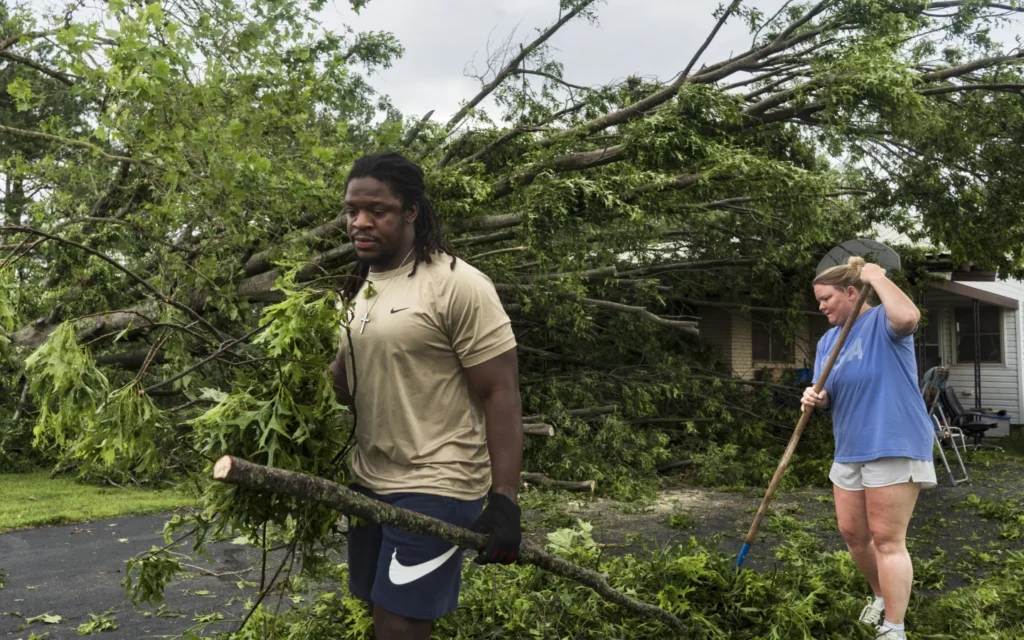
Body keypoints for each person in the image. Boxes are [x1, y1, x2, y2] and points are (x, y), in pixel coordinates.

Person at [327, 151, 523, 640]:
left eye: (378, 210)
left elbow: (501, 392)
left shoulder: (457, 284)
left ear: (411, 211)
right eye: (352, 210)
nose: (360, 222)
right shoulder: (360, 288)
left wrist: (505, 501)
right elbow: (349, 386)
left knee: (401, 625)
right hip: (370, 477)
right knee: (377, 610)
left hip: (438, 481)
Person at [801, 257, 936, 640]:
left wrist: (875, 277)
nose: (821, 306)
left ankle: (895, 627)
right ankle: (880, 595)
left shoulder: (883, 324)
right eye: (818, 300)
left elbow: (908, 316)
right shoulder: (828, 340)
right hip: (851, 445)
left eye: (826, 298)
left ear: (851, 293)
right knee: (853, 534)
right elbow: (829, 393)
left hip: (892, 439)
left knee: (886, 539)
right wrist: (816, 397)